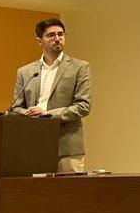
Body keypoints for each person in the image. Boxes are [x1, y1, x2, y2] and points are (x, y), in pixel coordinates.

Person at [9, 18, 92, 173]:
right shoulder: (25, 71)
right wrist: (28, 113)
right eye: (51, 35)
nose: (57, 39)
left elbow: (83, 106)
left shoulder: (79, 67)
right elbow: (15, 107)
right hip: (34, 145)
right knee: (39, 195)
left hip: (67, 146)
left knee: (69, 194)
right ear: (40, 41)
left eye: (61, 34)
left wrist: (46, 114)